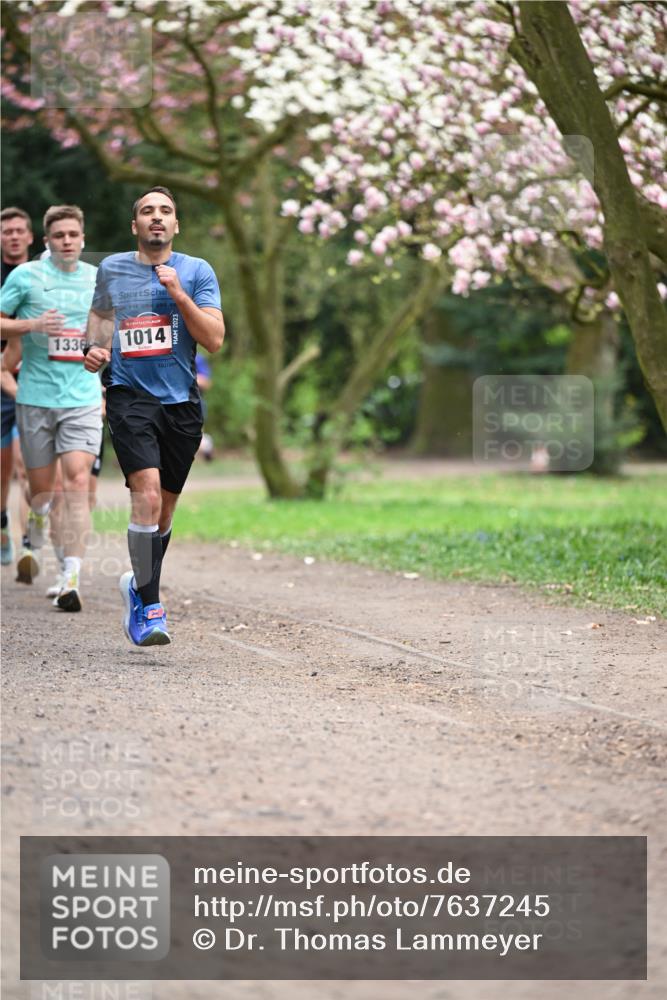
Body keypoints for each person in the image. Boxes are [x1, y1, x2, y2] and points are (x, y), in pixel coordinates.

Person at [83, 186, 224, 646]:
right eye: (147, 211)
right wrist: (95, 346)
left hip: (180, 403)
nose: (156, 218)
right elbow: (101, 316)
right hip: (129, 396)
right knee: (143, 495)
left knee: (162, 514)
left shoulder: (197, 271)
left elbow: (215, 339)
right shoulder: (113, 268)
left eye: (165, 211)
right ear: (135, 226)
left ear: (176, 225)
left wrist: (179, 295)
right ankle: (150, 604)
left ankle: (136, 585)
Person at [0, 204, 102, 610]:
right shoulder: (25, 277)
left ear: (82, 239)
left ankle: (69, 575)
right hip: (35, 398)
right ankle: (37, 518)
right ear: (46, 241)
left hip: (82, 399)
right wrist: (33, 326)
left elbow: (109, 330)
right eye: (58, 236)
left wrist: (103, 357)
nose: (66, 242)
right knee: (41, 489)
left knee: (76, 483)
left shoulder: (99, 280)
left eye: (73, 235)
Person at [1, 207, 33, 564]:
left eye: (18, 230)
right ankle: (1, 521)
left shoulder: (43, 275)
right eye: (6, 230)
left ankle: (28, 543)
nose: (12, 235)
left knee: (28, 462)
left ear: (29, 237)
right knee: (4, 465)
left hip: (36, 377)